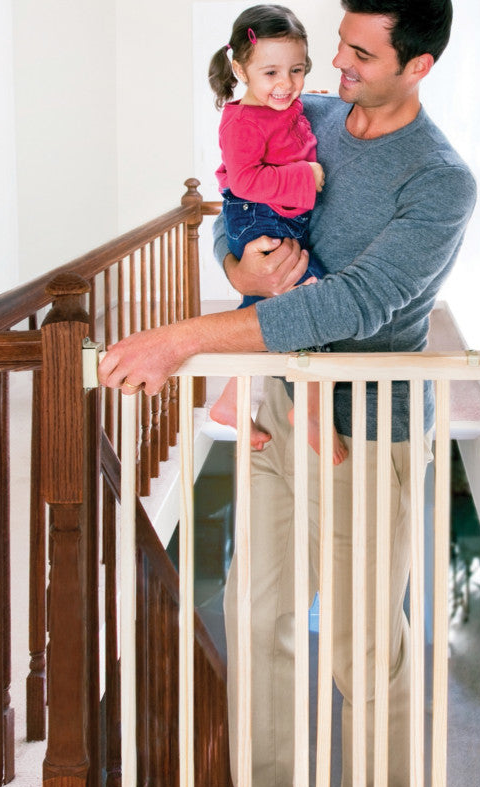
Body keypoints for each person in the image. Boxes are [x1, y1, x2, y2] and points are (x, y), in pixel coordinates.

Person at [98, 0, 476, 787]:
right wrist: (245, 267)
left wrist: (182, 339)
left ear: (417, 66)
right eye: (337, 45)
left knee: (363, 647)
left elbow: (353, 301)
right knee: (256, 618)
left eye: (361, 55)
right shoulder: (303, 113)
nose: (334, 69)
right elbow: (236, 222)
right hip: (277, 407)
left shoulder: (440, 182)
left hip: (364, 430)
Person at [206, 4, 347, 465]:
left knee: (268, 307)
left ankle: (232, 399)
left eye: (297, 70)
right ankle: (307, 409)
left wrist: (311, 108)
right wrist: (305, 177)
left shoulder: (282, 105)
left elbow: (292, 127)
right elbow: (244, 181)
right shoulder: (243, 121)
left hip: (281, 216)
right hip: (257, 215)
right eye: (270, 72)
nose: (285, 84)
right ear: (241, 68)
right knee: (303, 293)